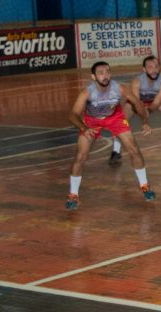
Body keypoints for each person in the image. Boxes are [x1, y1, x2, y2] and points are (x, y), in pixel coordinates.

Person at [66, 62, 154, 210]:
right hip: (92, 122)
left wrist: (145, 121)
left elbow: (137, 103)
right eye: (101, 73)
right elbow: (73, 114)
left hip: (115, 118)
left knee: (134, 150)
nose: (105, 75)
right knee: (80, 157)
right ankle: (73, 195)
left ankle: (145, 186)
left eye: (107, 71)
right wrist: (84, 127)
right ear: (93, 76)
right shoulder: (87, 92)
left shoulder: (119, 88)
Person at [112, 55, 161, 162]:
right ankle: (115, 151)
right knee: (120, 121)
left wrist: (147, 112)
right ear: (144, 69)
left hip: (154, 100)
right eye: (150, 67)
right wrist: (145, 121)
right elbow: (137, 104)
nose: (154, 70)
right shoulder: (137, 81)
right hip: (137, 101)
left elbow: (156, 103)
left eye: (156, 66)